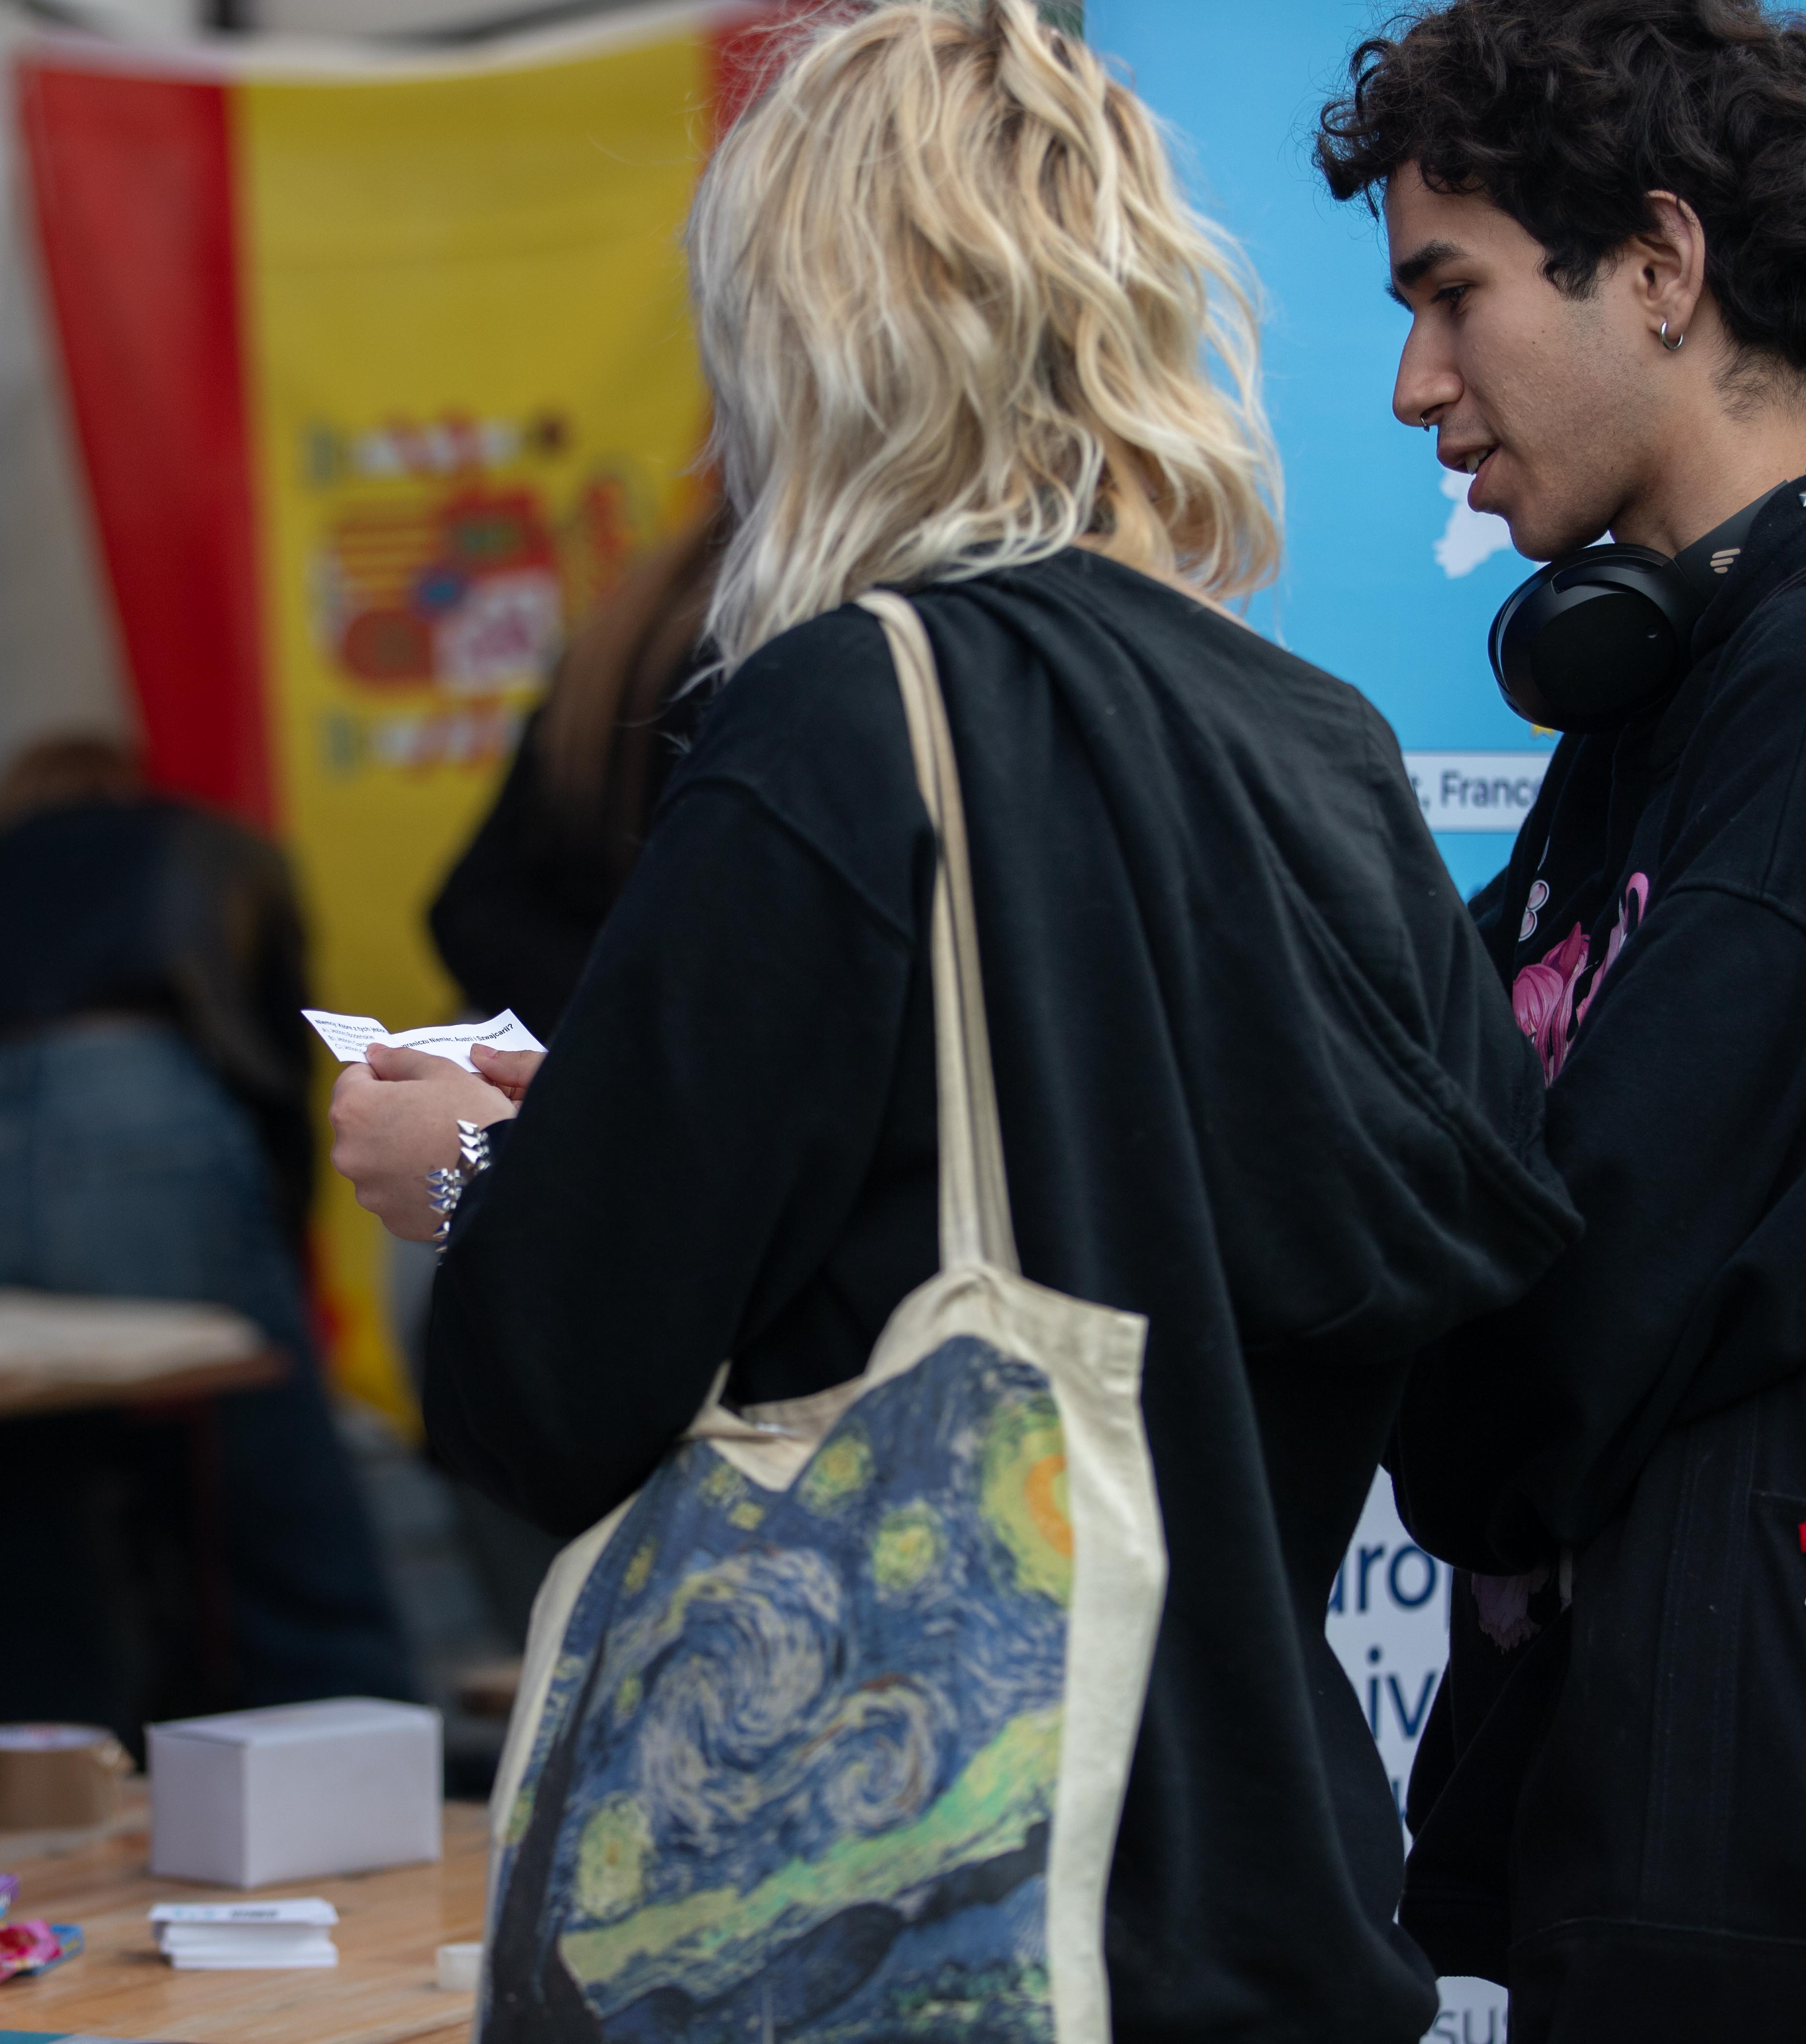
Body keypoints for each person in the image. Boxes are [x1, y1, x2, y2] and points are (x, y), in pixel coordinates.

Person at [330, 3, 1575, 2036]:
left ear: (808, 332)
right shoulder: (1329, 754)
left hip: (935, 1925)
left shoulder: (850, 719)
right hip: (1292, 1903)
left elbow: (552, 1393)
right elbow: (1433, 1288)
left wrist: (477, 1170)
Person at [1319, 2, 1806, 2029]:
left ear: (1664, 265)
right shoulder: (1676, 680)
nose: (1418, 384)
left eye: (1455, 294)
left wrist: (1462, 1440)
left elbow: (1618, 1231)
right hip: (1689, 1812)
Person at [0, 737, 416, 1749]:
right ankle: (355, 1752)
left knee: (9, 1497)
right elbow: (278, 1064)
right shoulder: (209, 844)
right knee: (266, 1486)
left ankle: (48, 1780)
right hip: (134, 1107)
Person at [428, 505, 726, 1038]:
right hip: (623, 1044)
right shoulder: (752, 644)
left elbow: (471, 905)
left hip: (568, 1027)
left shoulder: (641, 614)